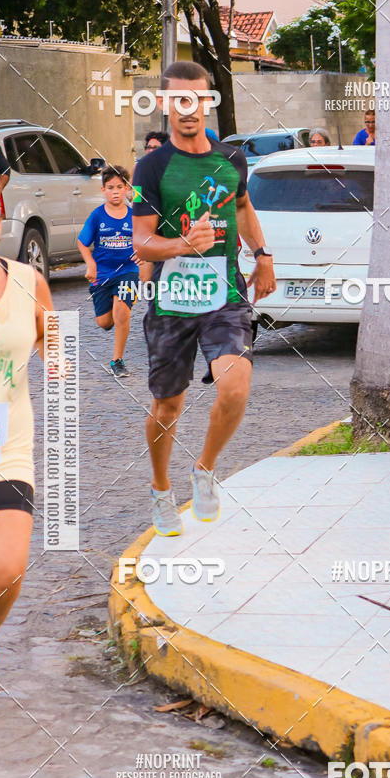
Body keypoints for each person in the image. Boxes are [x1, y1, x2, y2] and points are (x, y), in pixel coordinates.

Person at [132, 60, 275, 536]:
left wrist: (263, 254)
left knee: (235, 385)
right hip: (172, 300)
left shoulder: (232, 158)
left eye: (198, 98)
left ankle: (205, 469)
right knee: (168, 406)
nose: (189, 108)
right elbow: (142, 243)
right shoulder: (151, 167)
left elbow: (242, 205)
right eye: (179, 99)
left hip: (224, 294)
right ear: (166, 104)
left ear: (209, 102)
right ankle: (159, 488)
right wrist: (181, 246)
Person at [0, 173, 54, 708]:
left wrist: (64, 378)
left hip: (1, 451)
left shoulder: (29, 280)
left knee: (4, 573)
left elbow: (55, 344)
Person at [77, 164, 142, 379]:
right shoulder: (97, 216)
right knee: (104, 322)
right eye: (110, 187)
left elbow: (146, 239)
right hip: (102, 275)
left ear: (127, 189)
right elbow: (82, 243)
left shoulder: (135, 216)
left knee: (122, 310)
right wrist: (90, 264)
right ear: (103, 190)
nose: (115, 191)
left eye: (120, 187)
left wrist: (143, 253)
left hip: (129, 271)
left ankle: (117, 361)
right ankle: (112, 314)